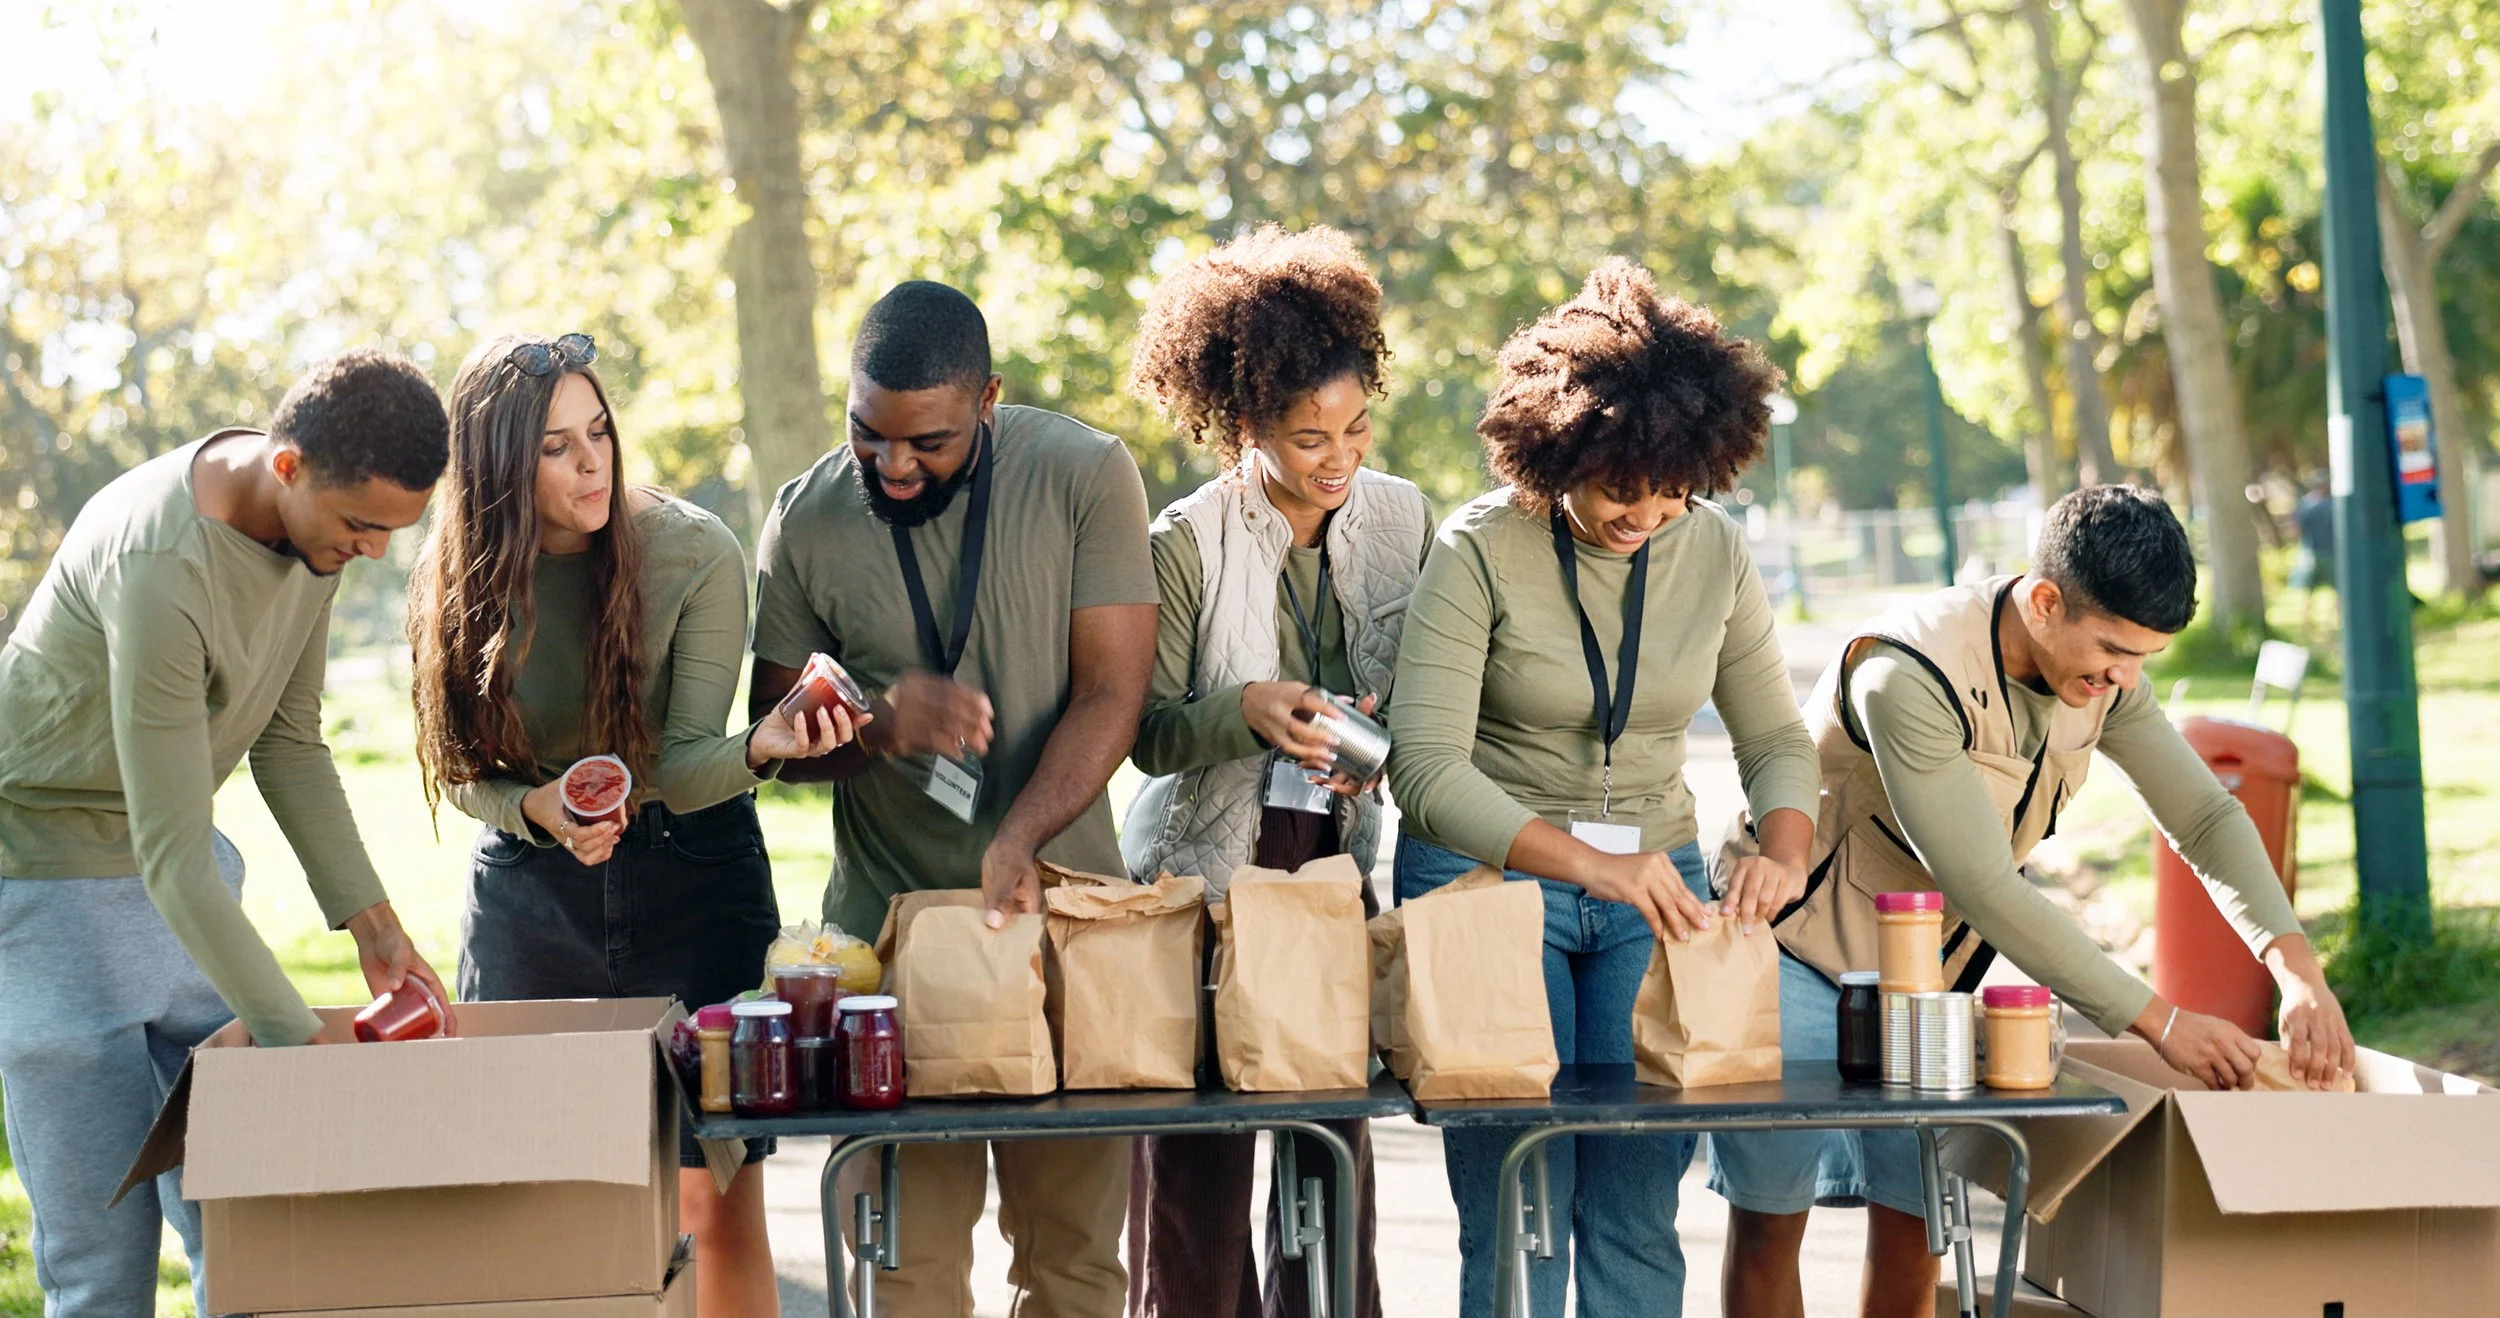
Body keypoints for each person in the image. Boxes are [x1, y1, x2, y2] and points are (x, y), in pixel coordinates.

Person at [1709, 484, 2359, 1318]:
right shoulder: (1906, 672)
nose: (2126, 678)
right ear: (2046, 601)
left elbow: (2201, 813)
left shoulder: (2103, 677)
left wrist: (2295, 966)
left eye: (2145, 659)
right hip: (1791, 953)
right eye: (2116, 650)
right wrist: (2159, 1022)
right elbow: (1981, 883)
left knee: (1918, 1223)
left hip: (1922, 978)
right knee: (1772, 1220)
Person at [1386, 259, 1822, 1318]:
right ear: (1560, 447)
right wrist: (1595, 866)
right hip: (1485, 884)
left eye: (1674, 489)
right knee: (1519, 1209)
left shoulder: (1709, 550)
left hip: (1652, 889)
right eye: (1622, 484)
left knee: (1635, 1210)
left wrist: (1787, 845)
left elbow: (1773, 733)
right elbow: (1427, 771)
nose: (1647, 513)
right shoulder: (1479, 547)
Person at [407, 333, 859, 1317]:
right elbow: (463, 771)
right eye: (558, 447)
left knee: (714, 1189)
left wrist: (763, 744)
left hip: (693, 872)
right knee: (543, 1190)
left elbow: (685, 762)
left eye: (599, 432)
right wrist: (533, 808)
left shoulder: (694, 551)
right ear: (496, 471)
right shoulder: (459, 574)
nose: (594, 461)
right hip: (532, 890)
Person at [0, 352, 452, 1315]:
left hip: (184, 885)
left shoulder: (316, 539)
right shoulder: (162, 563)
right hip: (45, 886)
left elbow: (288, 742)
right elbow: (168, 849)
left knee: (249, 1220)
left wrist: (375, 927)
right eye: (362, 524)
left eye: (393, 529)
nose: (375, 550)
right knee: (101, 1258)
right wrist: (299, 1047)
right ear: (287, 467)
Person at [749, 280, 1158, 1315]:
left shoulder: (1084, 472)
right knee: (909, 1270)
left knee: (1072, 1267)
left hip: (1059, 923)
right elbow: (774, 739)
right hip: (890, 952)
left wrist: (1022, 830)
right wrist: (883, 722)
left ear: (988, 398)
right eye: (867, 435)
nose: (893, 465)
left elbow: (1115, 688)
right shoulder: (803, 518)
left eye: (926, 442)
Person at [1118, 225, 1429, 1318]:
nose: (1335, 458)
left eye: (1353, 426)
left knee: (1326, 1156)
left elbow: (1429, 692)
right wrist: (1244, 710)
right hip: (1204, 873)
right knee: (1196, 1171)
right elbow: (1146, 731)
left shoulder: (1401, 517)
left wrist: (1387, 732)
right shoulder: (1185, 539)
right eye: (1306, 438)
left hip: (1329, 867)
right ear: (1243, 424)